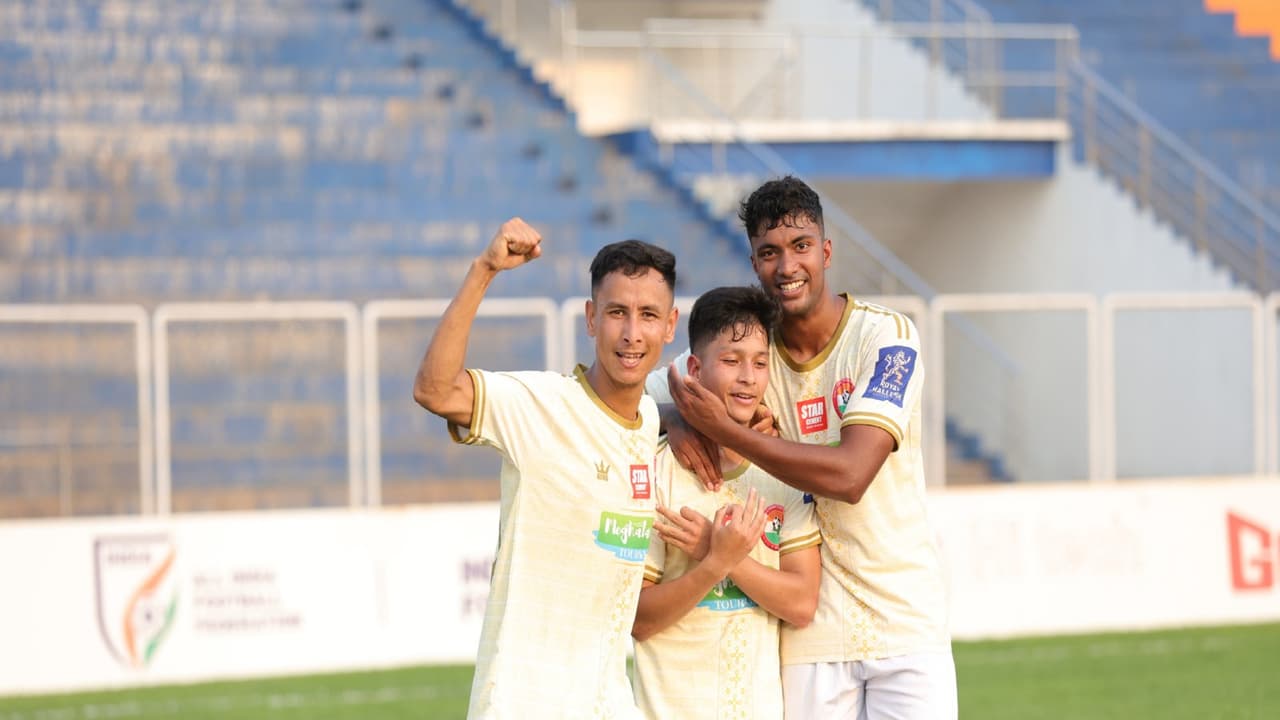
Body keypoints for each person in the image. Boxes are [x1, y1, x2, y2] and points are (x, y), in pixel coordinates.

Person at [654, 177, 956, 719]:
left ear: (826, 252)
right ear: (753, 262)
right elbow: (637, 394)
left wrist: (723, 429)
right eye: (769, 252)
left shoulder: (886, 340)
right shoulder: (749, 352)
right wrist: (672, 416)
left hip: (904, 619)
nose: (787, 266)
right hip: (808, 634)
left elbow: (851, 475)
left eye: (800, 247)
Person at [413, 218, 679, 719]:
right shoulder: (539, 404)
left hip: (609, 702)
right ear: (590, 318)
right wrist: (484, 269)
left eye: (648, 315)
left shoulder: (652, 417)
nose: (631, 333)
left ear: (670, 325)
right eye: (616, 312)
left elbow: (728, 368)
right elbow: (435, 390)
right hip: (522, 700)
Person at [630, 286, 822, 720]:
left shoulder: (781, 470)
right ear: (694, 368)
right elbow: (639, 621)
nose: (748, 378)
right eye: (731, 361)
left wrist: (718, 555)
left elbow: (801, 603)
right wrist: (716, 562)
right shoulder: (657, 470)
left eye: (759, 363)